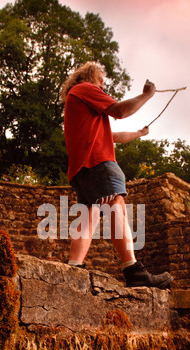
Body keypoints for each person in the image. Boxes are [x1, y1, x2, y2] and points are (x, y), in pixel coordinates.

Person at [61, 62, 173, 289]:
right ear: (91, 76)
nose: (102, 86)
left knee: (89, 215)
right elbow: (120, 111)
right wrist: (146, 96)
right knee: (116, 205)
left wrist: (139, 133)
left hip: (81, 168)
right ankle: (133, 270)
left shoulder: (79, 104)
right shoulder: (85, 88)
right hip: (98, 162)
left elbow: (113, 136)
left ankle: (74, 267)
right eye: (101, 80)